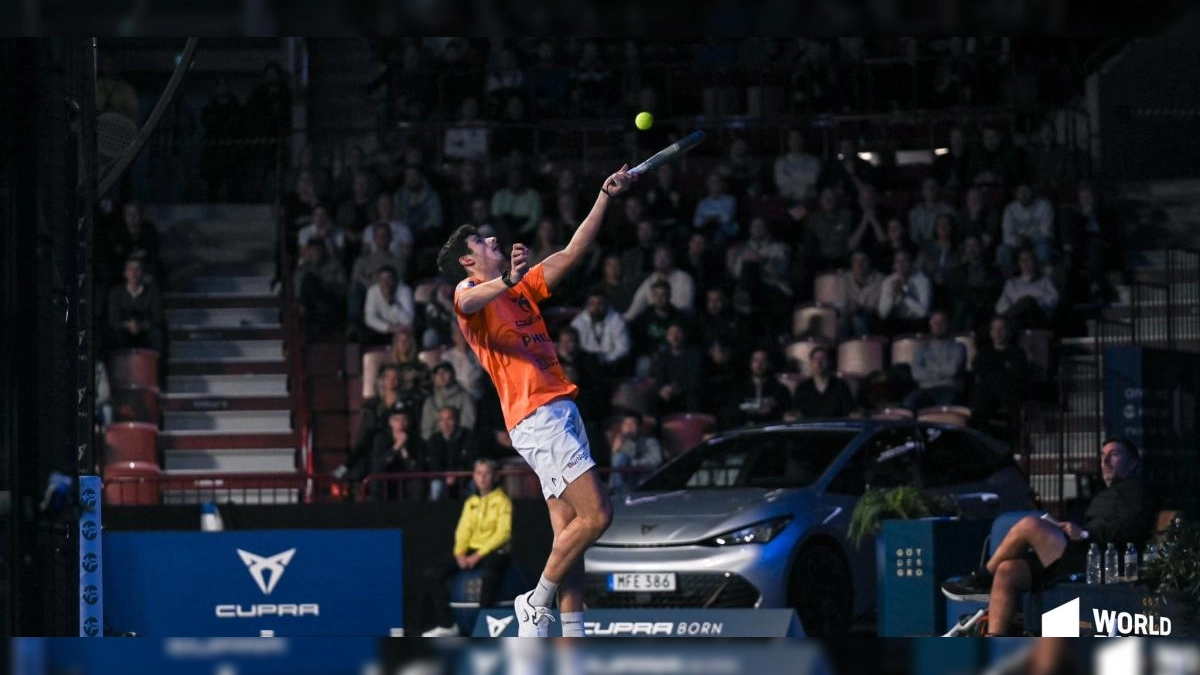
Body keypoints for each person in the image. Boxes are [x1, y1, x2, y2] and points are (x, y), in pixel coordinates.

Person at [437, 164, 636, 637]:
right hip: (535, 416)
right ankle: (536, 599)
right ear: (469, 261)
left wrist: (604, 195)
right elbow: (465, 304)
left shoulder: (520, 286)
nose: (492, 243)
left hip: (561, 410)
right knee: (598, 514)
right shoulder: (470, 292)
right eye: (482, 244)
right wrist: (506, 279)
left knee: (570, 531)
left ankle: (572, 635)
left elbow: (571, 252)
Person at [941, 437, 1155, 636]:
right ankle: (995, 641)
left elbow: (1130, 528)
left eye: (1114, 454)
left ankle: (980, 579)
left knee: (1030, 525)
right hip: (1078, 552)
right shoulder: (1103, 493)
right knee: (1008, 570)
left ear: (1133, 463)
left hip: (1100, 560)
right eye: (1102, 455)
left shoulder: (1139, 491)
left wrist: (1085, 533)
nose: (1105, 461)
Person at [420, 458, 513, 637]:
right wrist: (460, 553)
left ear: (494, 477)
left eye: (486, 473)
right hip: (470, 551)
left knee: (488, 579)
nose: (482, 477)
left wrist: (478, 556)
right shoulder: (471, 502)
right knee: (433, 573)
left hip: (494, 552)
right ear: (474, 476)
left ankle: (484, 629)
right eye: (478, 473)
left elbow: (503, 533)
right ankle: (447, 625)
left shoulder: (503, 501)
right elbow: (463, 530)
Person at [971, 315, 1029, 443]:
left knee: (1016, 405)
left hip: (1010, 393)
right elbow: (979, 373)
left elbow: (1018, 376)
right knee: (978, 406)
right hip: (988, 393)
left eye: (1001, 329)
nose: (997, 333)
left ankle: (1016, 445)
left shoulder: (1017, 354)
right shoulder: (983, 354)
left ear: (1008, 331)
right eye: (994, 329)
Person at [903, 310, 967, 410]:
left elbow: (952, 370)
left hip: (948, 387)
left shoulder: (958, 347)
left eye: (941, 322)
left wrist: (929, 367)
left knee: (947, 404)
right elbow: (916, 373)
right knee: (909, 403)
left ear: (947, 325)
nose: (938, 326)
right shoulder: (922, 348)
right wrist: (942, 371)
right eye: (935, 322)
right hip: (925, 388)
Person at [722, 349, 792, 428]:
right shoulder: (739, 390)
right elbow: (732, 415)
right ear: (750, 363)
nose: (759, 364)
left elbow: (785, 415)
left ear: (769, 364)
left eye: (763, 360)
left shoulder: (780, 390)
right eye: (755, 360)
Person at [107, 257, 164, 353]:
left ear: (142, 272)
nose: (134, 273)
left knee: (157, 334)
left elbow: (157, 317)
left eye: (137, 269)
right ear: (125, 273)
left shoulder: (152, 292)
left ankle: (156, 366)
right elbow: (113, 319)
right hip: (123, 329)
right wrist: (128, 325)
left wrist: (141, 325)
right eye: (130, 269)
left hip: (145, 329)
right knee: (112, 336)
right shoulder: (116, 292)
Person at [996, 248, 1059, 331]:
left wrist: (1034, 301)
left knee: (1027, 301)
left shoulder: (1045, 281)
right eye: (1022, 260)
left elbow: (1054, 299)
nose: (1025, 262)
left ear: (1035, 261)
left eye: (1028, 259)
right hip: (1016, 319)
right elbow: (1000, 305)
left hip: (1037, 318)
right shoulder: (1011, 283)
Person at [570, 291, 631, 373]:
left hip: (612, 364)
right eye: (592, 304)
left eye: (599, 304)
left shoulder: (616, 320)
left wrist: (605, 359)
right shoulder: (578, 323)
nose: (596, 307)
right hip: (585, 363)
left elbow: (623, 347)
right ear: (587, 306)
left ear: (606, 304)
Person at [425, 405, 478, 501]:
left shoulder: (469, 437)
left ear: (457, 420)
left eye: (450, 419)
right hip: (442, 478)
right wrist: (445, 476)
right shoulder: (434, 440)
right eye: (442, 420)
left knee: (474, 483)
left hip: (464, 477)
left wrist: (457, 474)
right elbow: (434, 464)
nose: (446, 424)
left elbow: (472, 462)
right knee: (436, 485)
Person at [650, 321, 703, 415]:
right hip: (670, 393)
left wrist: (677, 388)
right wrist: (662, 389)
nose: (674, 337)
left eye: (678, 332)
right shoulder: (663, 356)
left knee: (694, 398)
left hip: (687, 392)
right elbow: (659, 378)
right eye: (670, 334)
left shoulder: (695, 354)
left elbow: (696, 380)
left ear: (684, 335)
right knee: (654, 399)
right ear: (667, 337)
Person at [877, 249, 932, 336]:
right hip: (897, 321)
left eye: (904, 261)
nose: (901, 265)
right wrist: (893, 297)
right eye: (898, 261)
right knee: (884, 325)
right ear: (894, 265)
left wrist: (904, 296)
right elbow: (883, 313)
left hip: (916, 321)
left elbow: (924, 313)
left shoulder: (922, 280)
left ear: (911, 263)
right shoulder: (888, 281)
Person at [791, 345, 855, 418]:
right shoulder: (802, 388)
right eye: (815, 359)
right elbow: (796, 413)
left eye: (823, 359)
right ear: (811, 363)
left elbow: (849, 412)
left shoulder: (841, 386)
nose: (819, 363)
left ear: (829, 362)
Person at [608, 410, 663, 495]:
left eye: (632, 424)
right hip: (624, 482)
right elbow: (615, 465)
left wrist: (632, 464)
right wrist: (615, 450)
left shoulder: (651, 441)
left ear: (639, 426)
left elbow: (656, 460)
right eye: (626, 424)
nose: (629, 427)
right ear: (622, 427)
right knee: (619, 457)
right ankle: (619, 493)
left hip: (643, 479)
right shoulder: (620, 442)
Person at [420, 362, 477, 441]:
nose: (441, 376)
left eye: (445, 372)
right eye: (437, 373)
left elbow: (467, 425)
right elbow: (426, 430)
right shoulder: (430, 402)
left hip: (460, 442)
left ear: (453, 375)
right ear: (434, 378)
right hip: (436, 445)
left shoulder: (465, 398)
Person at [363, 266, 416, 346]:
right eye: (381, 279)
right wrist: (390, 328)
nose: (385, 283)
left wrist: (391, 302)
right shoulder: (373, 291)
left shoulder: (404, 290)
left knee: (406, 334)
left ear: (395, 280)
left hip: (402, 330)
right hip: (383, 329)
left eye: (389, 279)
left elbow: (408, 321)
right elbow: (369, 318)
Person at [774, 128, 822, 202]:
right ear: (788, 142)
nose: (795, 141)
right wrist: (803, 177)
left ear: (803, 140)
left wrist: (790, 173)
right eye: (792, 139)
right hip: (786, 201)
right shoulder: (781, 162)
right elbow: (780, 181)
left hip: (808, 201)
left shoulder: (813, 161)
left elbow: (813, 179)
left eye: (797, 138)